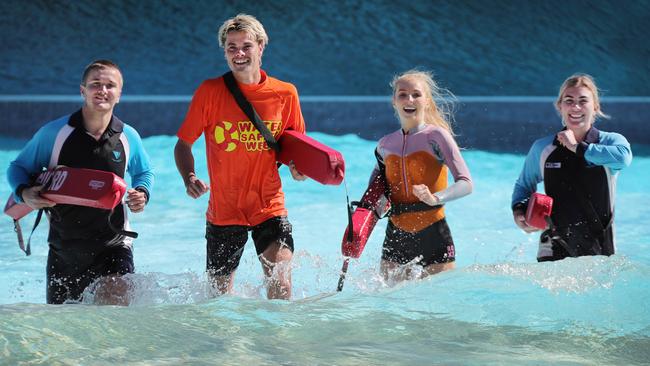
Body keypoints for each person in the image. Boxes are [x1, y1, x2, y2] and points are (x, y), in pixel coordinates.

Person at [174, 14, 306, 300]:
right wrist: (190, 177)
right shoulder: (209, 92)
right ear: (224, 52)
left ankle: (275, 345)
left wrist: (300, 170)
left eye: (246, 46)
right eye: (231, 47)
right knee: (218, 300)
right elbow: (183, 144)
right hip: (225, 210)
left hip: (269, 205)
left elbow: (296, 149)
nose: (239, 53)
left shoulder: (285, 94)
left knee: (282, 289)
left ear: (261, 46)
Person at [6, 59, 154, 305]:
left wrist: (142, 192)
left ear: (119, 94)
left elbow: (144, 171)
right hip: (65, 249)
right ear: (82, 90)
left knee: (114, 314)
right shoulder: (55, 133)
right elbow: (18, 167)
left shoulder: (128, 136)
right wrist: (24, 193)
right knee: (64, 332)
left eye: (110, 85)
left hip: (114, 244)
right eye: (95, 84)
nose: (103, 90)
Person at [364, 70, 472, 283]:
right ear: (394, 101)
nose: (409, 99)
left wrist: (435, 198)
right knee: (390, 306)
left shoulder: (437, 137)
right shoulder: (384, 145)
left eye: (416, 94)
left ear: (427, 101)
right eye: (402, 94)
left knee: (438, 309)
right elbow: (374, 194)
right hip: (396, 234)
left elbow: (466, 183)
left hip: (433, 231)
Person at [511, 74, 632, 262]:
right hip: (552, 246)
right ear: (560, 107)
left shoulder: (611, 142)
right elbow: (523, 186)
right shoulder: (543, 148)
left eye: (583, 101)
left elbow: (623, 158)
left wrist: (577, 147)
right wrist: (519, 212)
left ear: (596, 107)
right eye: (569, 101)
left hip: (599, 246)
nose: (575, 107)